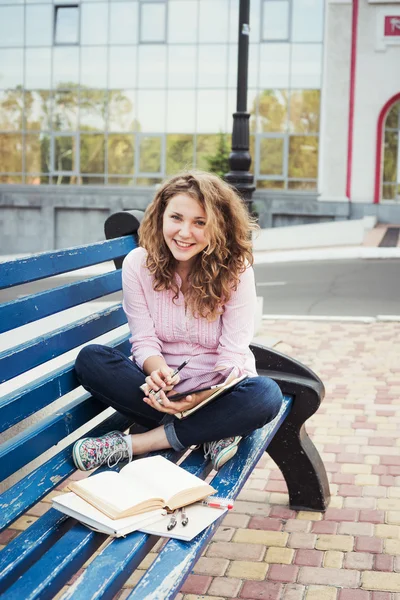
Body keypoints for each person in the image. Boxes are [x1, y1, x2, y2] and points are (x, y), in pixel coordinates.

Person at [72, 171, 283, 472]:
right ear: (160, 217)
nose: (184, 232)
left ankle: (134, 444)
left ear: (218, 226)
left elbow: (234, 354)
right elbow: (143, 341)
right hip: (161, 394)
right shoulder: (138, 264)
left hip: (218, 393)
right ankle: (213, 430)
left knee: (266, 395)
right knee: (91, 360)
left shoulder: (236, 271)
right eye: (176, 218)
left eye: (200, 222)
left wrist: (198, 399)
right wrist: (158, 374)